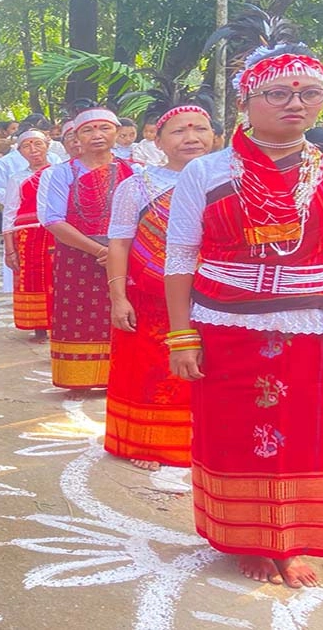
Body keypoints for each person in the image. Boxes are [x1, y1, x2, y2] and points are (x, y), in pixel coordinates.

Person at [164, 15, 323, 589]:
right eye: (278, 93)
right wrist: (181, 334)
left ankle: (289, 540)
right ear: (247, 100)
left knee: (304, 431)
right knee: (233, 431)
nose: (297, 103)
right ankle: (247, 539)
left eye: (309, 92)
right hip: (224, 324)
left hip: (311, 325)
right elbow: (179, 258)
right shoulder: (207, 172)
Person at [105, 87, 216, 471]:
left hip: (212, 295)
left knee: (211, 368)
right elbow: (118, 243)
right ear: (158, 138)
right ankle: (147, 442)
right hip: (149, 297)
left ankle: (205, 439)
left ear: (214, 136)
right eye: (179, 130)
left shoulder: (229, 181)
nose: (191, 137)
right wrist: (118, 297)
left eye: (200, 129)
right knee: (150, 368)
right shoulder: (138, 185)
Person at [37, 107, 133, 389]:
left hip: (126, 254)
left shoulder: (135, 171)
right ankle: (78, 380)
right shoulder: (61, 173)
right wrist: (100, 251)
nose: (97, 135)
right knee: (78, 316)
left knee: (121, 314)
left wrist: (117, 252)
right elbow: (53, 220)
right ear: (76, 136)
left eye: (105, 128)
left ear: (117, 131)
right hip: (77, 255)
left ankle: (119, 376)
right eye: (88, 130)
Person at [2, 130, 54, 340]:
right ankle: (38, 326)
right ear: (20, 151)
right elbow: (9, 213)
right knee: (32, 280)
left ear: (46, 146)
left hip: (55, 232)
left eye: (37, 144)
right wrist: (9, 249)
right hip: (27, 237)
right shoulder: (17, 178)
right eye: (27, 146)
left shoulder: (58, 172)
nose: (33, 150)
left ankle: (59, 324)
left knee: (57, 279)